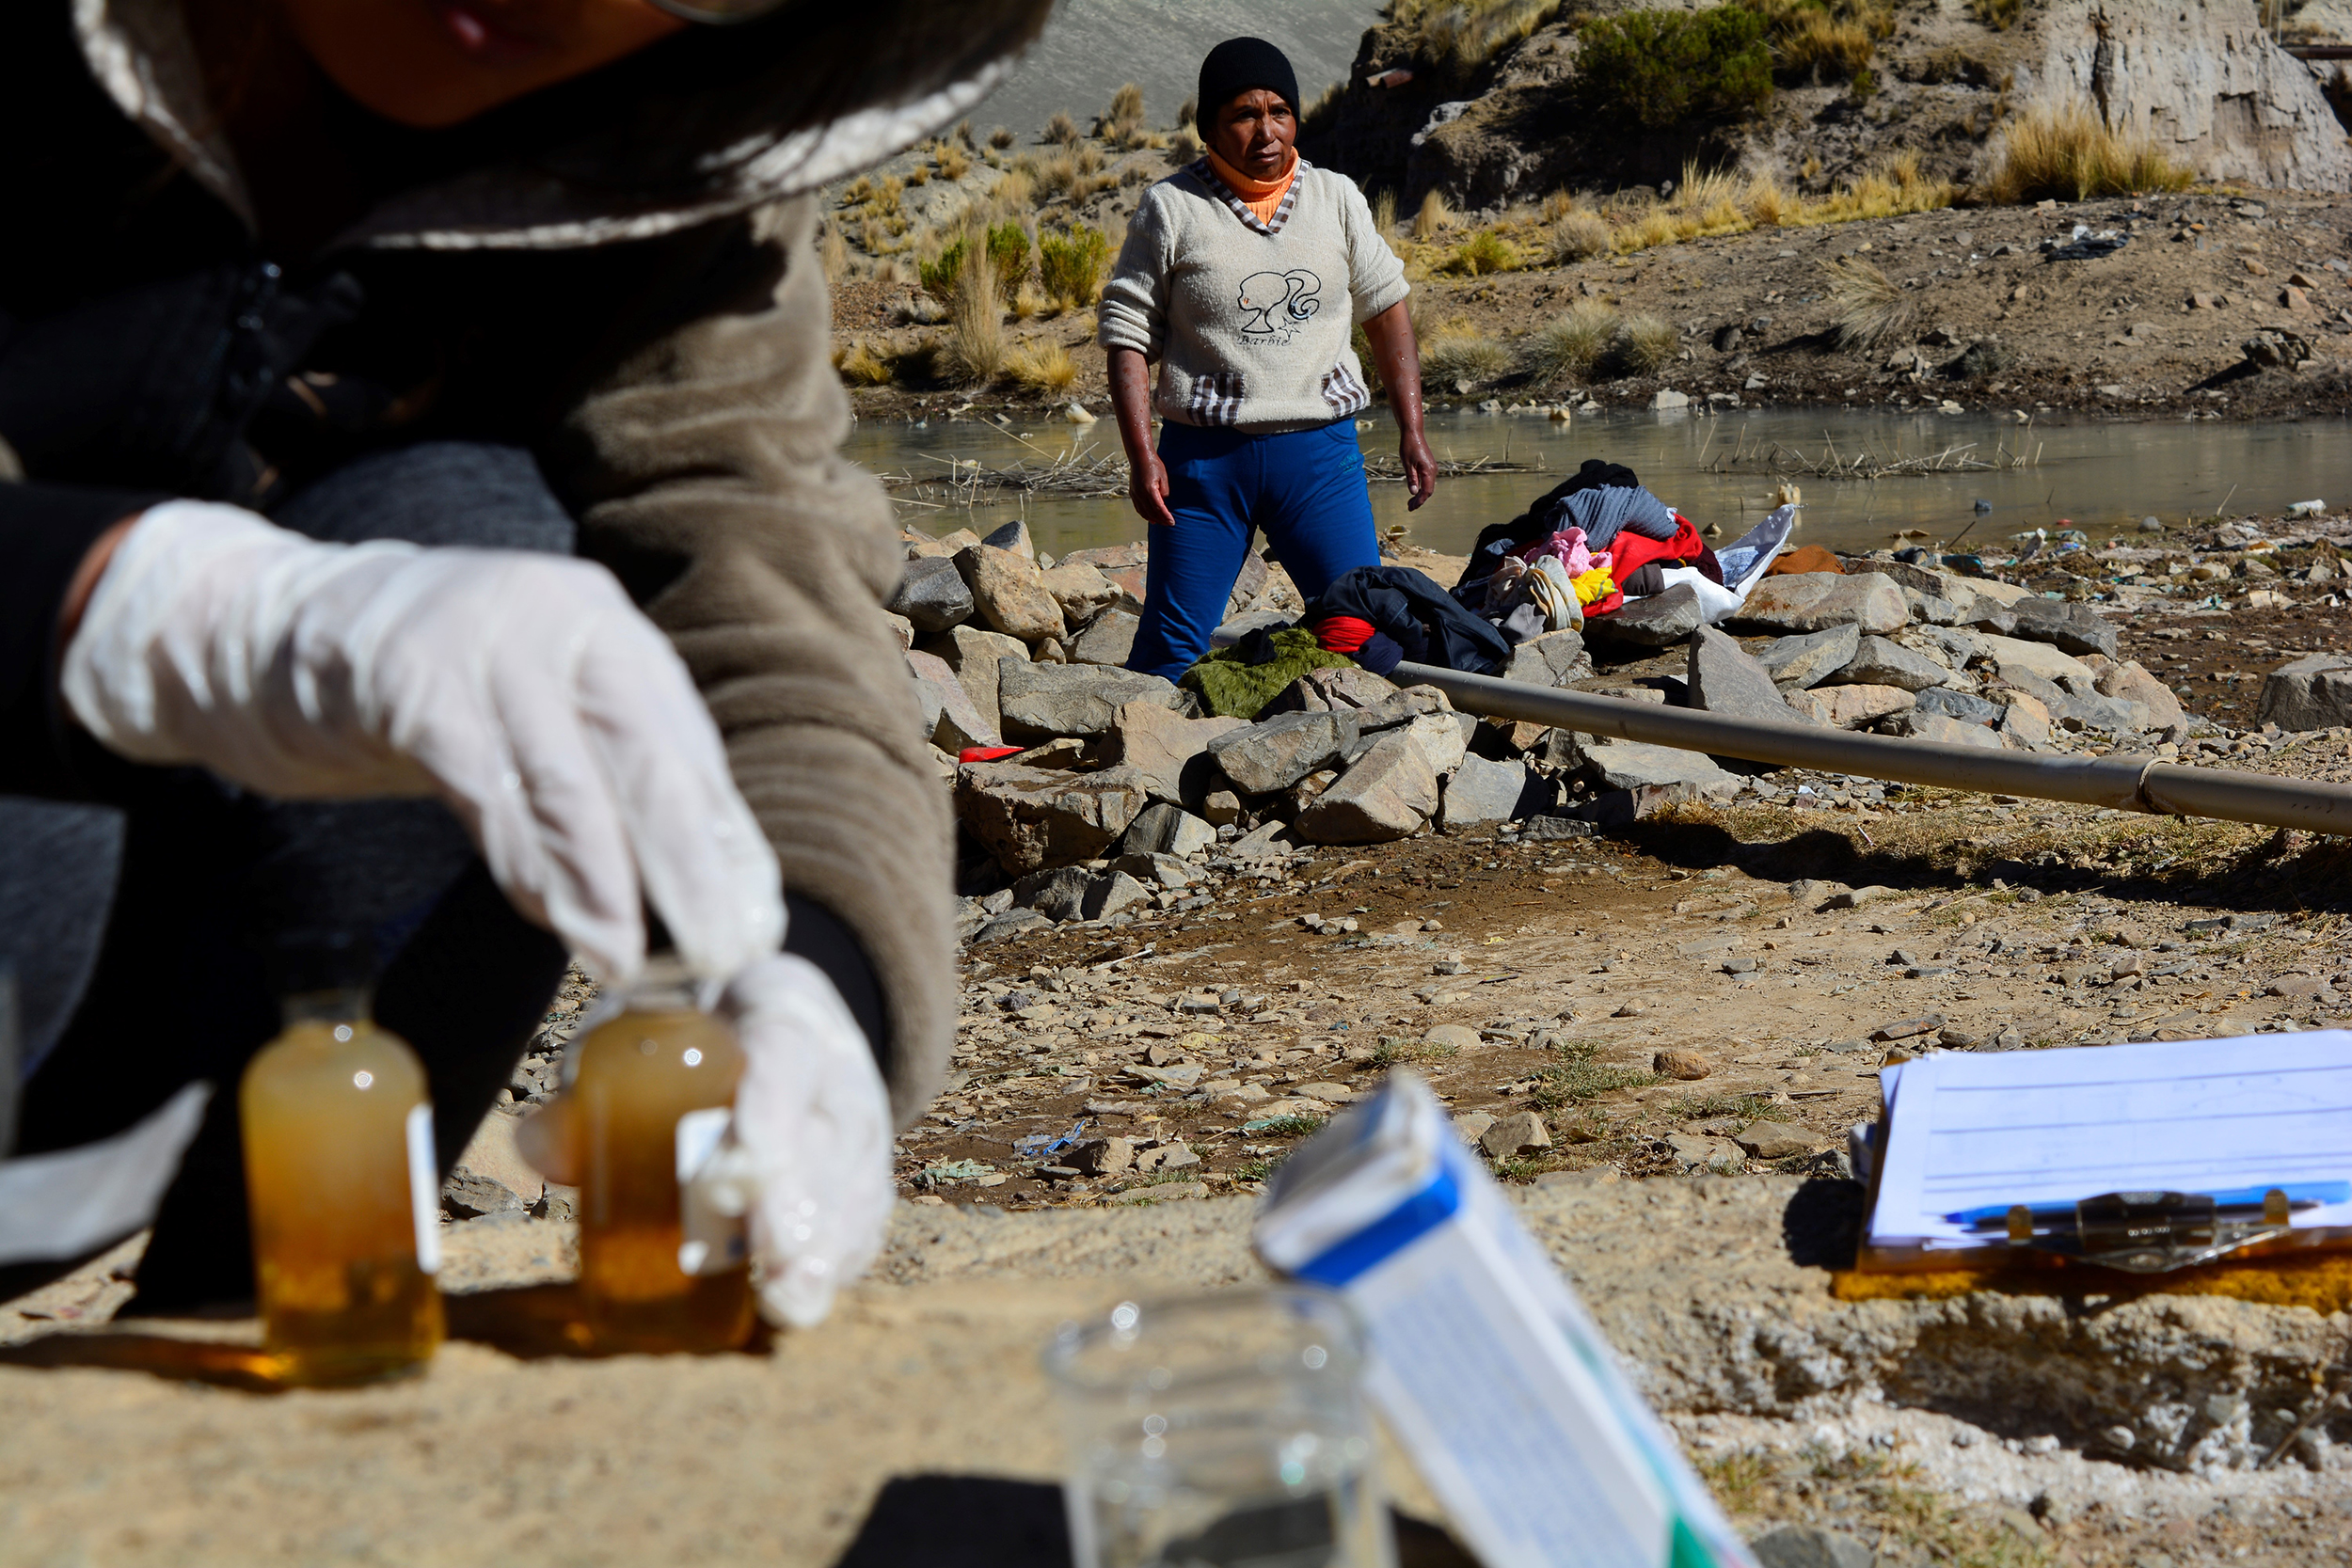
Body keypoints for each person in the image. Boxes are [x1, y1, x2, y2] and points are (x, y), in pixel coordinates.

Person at [0, 0, 1050, 1318]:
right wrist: (126, 605)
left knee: (483, 538)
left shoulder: (682, 140)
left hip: (140, 1088)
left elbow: (757, 565)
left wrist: (818, 975)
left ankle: (265, 1337)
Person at [1099, 36, 1438, 683]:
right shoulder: (1170, 209)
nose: (1265, 131)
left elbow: (1386, 308)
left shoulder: (1335, 198)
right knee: (1172, 645)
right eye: (1244, 115)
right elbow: (1127, 333)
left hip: (1320, 460)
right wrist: (1143, 458)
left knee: (1356, 631)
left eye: (1279, 111)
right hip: (1203, 467)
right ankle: (1150, 769)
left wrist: (1413, 430)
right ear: (1210, 127)